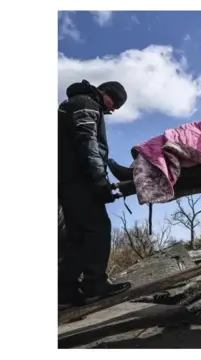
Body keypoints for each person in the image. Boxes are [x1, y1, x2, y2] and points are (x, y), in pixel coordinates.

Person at [58, 80, 132, 310]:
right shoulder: (86, 104)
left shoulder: (72, 103)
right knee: (98, 228)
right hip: (79, 180)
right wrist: (100, 180)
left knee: (77, 238)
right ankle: (94, 284)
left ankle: (64, 291)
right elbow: (87, 141)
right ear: (106, 94)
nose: (113, 110)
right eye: (115, 104)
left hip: (65, 180)